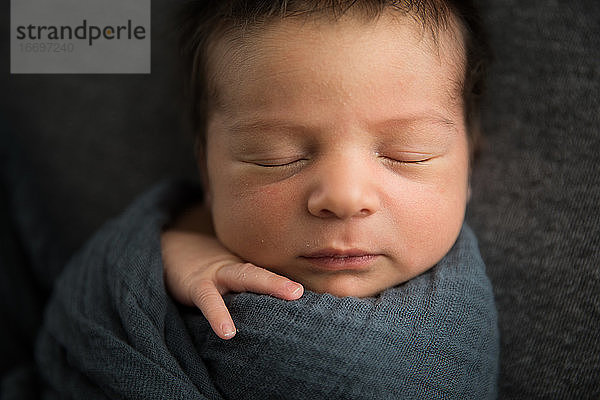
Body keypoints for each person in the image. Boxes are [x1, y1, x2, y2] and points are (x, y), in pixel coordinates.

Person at [35, 1, 498, 398]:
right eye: (275, 157)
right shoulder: (153, 261)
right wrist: (159, 256)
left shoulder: (448, 333)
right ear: (207, 172)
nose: (343, 197)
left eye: (407, 153)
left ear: (469, 163)